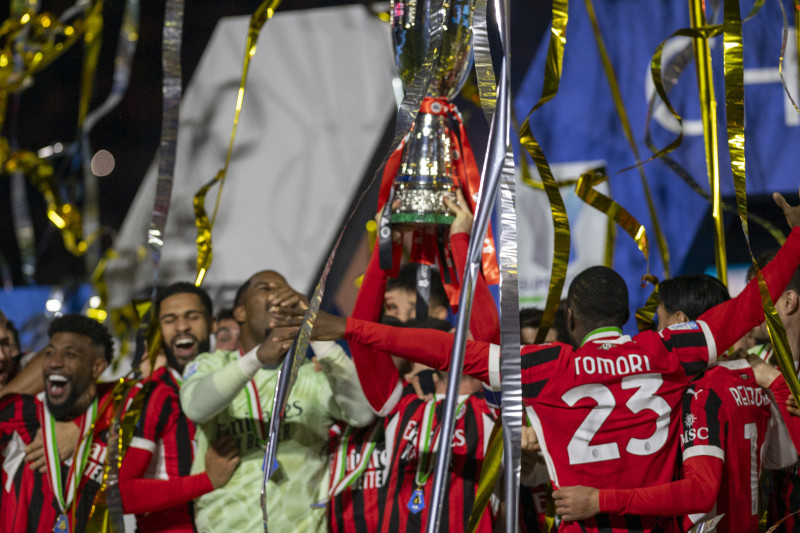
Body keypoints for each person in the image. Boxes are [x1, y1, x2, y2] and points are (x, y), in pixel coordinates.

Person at [279, 190, 800, 532]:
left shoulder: (548, 365)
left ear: (570, 317)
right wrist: (796, 239)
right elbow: (754, 301)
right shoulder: (670, 350)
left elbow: (446, 350)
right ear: (627, 315)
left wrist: (345, 328)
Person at [553, 273, 799, 533]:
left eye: (659, 320)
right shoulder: (751, 382)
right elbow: (783, 458)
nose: (656, 333)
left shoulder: (699, 390)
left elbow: (700, 492)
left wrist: (599, 500)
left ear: (680, 322)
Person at [179, 270, 374, 532]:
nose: (278, 296)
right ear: (240, 312)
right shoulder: (212, 365)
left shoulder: (312, 375)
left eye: (284, 289)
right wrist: (258, 357)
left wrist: (313, 327)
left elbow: (362, 413)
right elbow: (195, 407)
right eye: (265, 289)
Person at [118, 281, 240, 532]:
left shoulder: (239, 383)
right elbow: (121, 494)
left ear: (212, 323)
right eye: (169, 319)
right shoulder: (153, 395)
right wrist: (206, 481)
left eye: (192, 316)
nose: (182, 326)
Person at [0, 314, 113, 531]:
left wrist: (81, 428)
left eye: (5, 343)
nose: (2, 355)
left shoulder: (25, 404)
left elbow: (132, 393)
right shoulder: (14, 411)